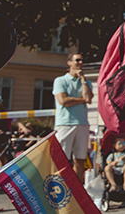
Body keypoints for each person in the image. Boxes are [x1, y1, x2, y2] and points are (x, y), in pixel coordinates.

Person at [53, 53, 92, 183]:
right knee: (61, 158)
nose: (80, 62)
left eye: (82, 60)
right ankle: (59, 186)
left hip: (82, 123)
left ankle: (76, 187)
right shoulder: (60, 80)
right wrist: (83, 100)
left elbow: (89, 97)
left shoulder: (86, 82)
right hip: (65, 123)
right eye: (77, 60)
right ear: (69, 62)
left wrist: (82, 80)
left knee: (80, 158)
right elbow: (63, 100)